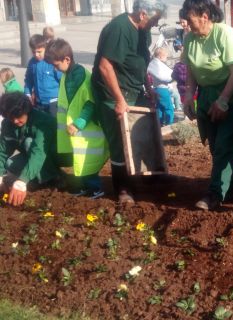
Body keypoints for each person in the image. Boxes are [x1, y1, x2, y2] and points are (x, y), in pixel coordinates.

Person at [181, 0, 233, 211]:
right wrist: (189, 96)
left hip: (232, 93)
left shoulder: (226, 34)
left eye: (190, 19)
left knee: (225, 145)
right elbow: (191, 70)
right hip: (207, 95)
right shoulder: (190, 38)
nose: (187, 24)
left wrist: (223, 100)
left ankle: (215, 194)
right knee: (216, 146)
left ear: (204, 16)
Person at [91, 0, 165, 204]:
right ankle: (123, 187)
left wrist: (148, 89)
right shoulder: (119, 29)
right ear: (142, 14)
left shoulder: (143, 29)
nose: (155, 23)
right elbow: (105, 67)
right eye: (155, 19)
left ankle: (147, 174)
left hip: (132, 88)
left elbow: (140, 61)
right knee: (119, 139)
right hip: (111, 92)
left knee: (141, 132)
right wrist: (119, 100)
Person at [45, 39, 109, 199]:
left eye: (56, 64)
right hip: (77, 132)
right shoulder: (68, 76)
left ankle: (96, 189)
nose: (55, 68)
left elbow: (90, 103)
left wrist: (79, 122)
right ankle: (85, 186)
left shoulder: (81, 76)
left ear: (67, 59)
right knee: (80, 162)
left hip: (86, 131)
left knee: (87, 163)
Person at [0, 92, 61, 206]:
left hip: (55, 155)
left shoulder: (42, 121)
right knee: (10, 163)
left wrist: (21, 181)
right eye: (11, 117)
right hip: (33, 155)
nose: (15, 121)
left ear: (26, 110)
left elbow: (38, 152)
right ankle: (36, 180)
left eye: (18, 116)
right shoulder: (8, 125)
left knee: (29, 143)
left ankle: (53, 179)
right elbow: (2, 151)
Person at [24, 34, 62, 116]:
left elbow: (62, 80)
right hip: (39, 102)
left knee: (55, 125)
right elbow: (28, 80)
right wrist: (27, 93)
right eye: (34, 52)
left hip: (54, 102)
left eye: (39, 52)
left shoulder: (52, 62)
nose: (36, 54)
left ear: (45, 48)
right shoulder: (32, 62)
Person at [148, 47, 176, 126]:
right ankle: (169, 124)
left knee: (159, 108)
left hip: (157, 88)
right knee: (169, 108)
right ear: (160, 56)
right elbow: (163, 77)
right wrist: (173, 77)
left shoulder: (154, 64)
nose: (166, 58)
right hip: (162, 89)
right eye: (165, 57)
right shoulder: (156, 65)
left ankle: (158, 124)